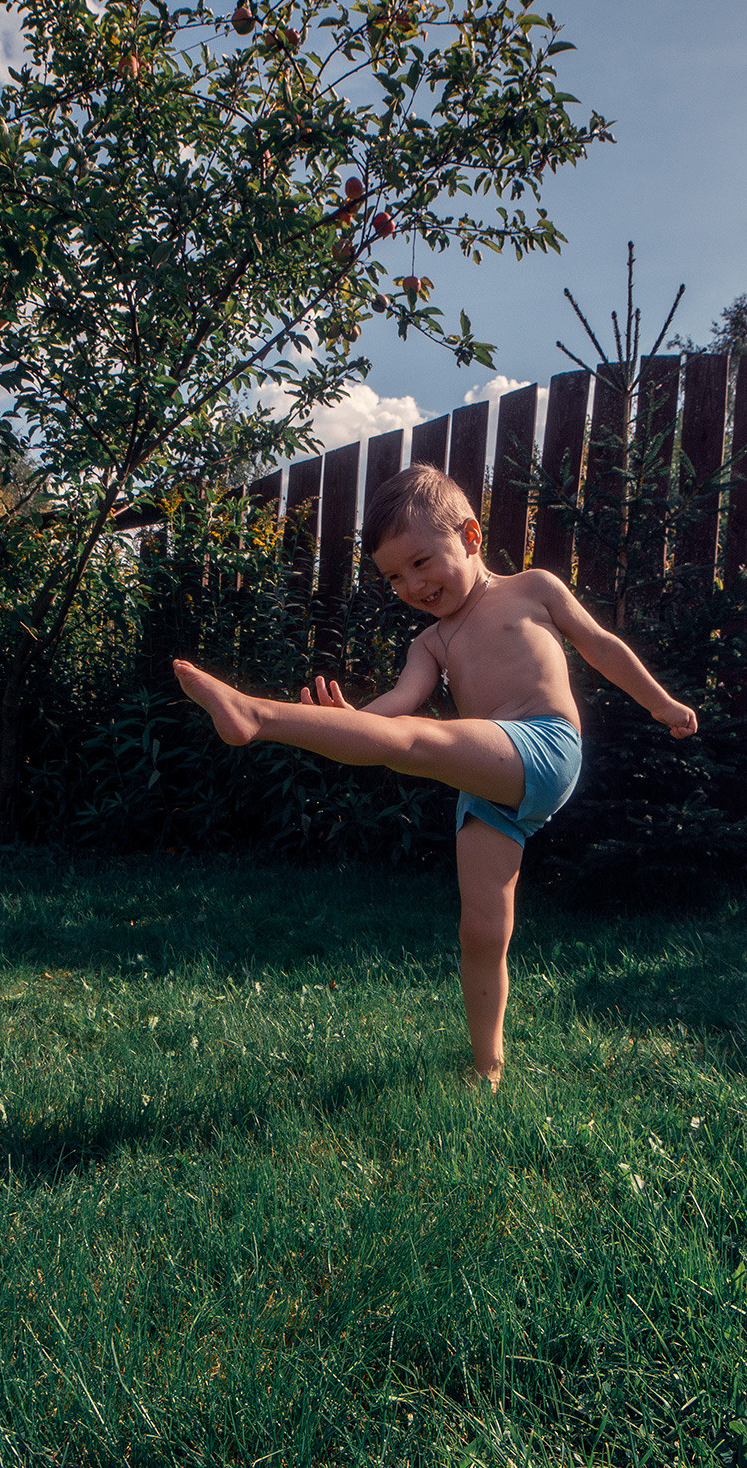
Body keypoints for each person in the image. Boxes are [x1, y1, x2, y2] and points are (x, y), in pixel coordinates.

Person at [174, 462, 697, 1092]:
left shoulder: (532, 589)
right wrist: (351, 722)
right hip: (488, 782)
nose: (412, 585)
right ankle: (487, 1068)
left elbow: (600, 644)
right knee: (481, 931)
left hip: (544, 745)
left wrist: (661, 703)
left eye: (421, 562)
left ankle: (256, 715)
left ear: (471, 536)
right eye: (395, 576)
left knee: (416, 742)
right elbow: (400, 703)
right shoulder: (431, 643)